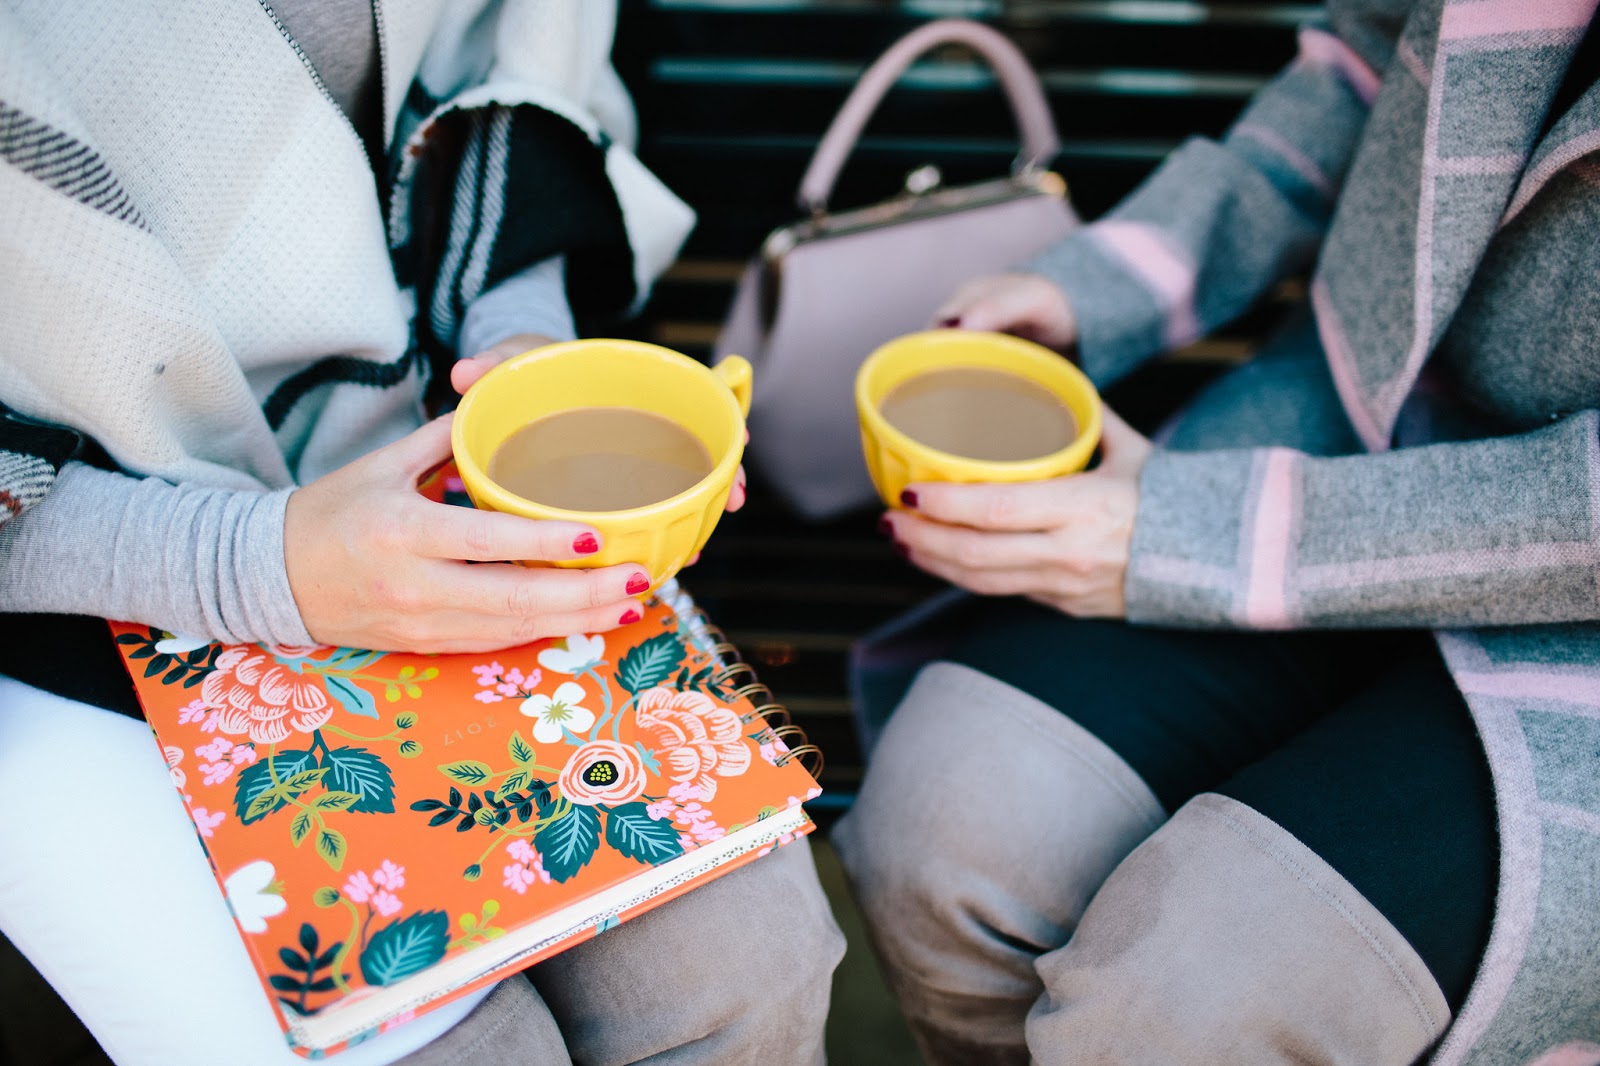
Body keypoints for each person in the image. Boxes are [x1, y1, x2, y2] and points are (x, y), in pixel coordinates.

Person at [0, 2, 842, 1063]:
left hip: (442, 462)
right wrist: (251, 565)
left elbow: (516, 67)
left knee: (750, 968)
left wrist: (519, 345)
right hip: (77, 589)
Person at [835, 1, 1600, 1063]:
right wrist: (1096, 285)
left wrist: (1196, 541)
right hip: (1345, 424)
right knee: (941, 834)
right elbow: (1369, 69)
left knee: (1188, 1002)